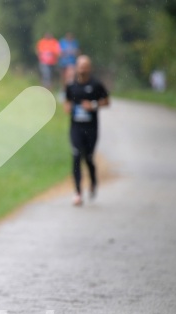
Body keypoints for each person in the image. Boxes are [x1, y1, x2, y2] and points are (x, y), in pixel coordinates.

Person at [64, 55, 109, 206]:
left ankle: (93, 181)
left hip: (91, 128)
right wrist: (68, 107)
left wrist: (93, 105)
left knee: (88, 158)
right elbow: (67, 102)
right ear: (76, 67)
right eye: (80, 65)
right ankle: (77, 192)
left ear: (90, 68)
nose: (82, 68)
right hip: (76, 127)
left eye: (85, 66)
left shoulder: (96, 85)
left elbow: (107, 101)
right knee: (76, 156)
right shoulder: (71, 86)